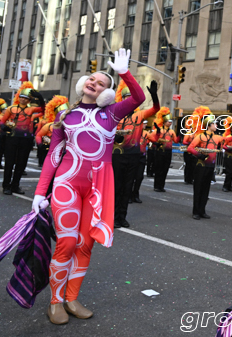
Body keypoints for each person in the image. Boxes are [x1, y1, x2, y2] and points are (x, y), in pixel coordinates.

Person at [31, 49, 145, 324]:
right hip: (67, 184)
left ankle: (71, 298)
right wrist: (39, 192)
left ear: (107, 94)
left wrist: (123, 73)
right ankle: (55, 302)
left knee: (85, 245)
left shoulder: (112, 113)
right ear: (83, 83)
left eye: (102, 83)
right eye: (92, 79)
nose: (95, 83)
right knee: (67, 243)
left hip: (97, 189)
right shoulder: (64, 115)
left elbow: (139, 98)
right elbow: (53, 155)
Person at [111, 79, 159, 228]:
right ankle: (113, 217)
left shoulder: (139, 115)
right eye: (127, 98)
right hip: (117, 156)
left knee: (127, 188)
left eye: (132, 98)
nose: (129, 100)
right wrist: (115, 137)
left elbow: (155, 109)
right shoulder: (115, 115)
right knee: (117, 187)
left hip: (134, 156)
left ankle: (122, 217)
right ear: (122, 99)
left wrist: (154, 96)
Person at [188, 113, 232, 219]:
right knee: (198, 189)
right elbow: (190, 148)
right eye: (214, 123)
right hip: (201, 166)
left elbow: (228, 140)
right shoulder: (200, 136)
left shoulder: (217, 137)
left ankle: (202, 211)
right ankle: (196, 212)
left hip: (210, 166)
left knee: (206, 189)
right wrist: (199, 155)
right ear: (209, 125)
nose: (216, 125)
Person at [0, 82, 45, 195]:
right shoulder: (11, 109)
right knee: (9, 163)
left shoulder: (30, 110)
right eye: (21, 97)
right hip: (12, 139)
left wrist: (39, 97)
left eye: (25, 98)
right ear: (18, 97)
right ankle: (6, 186)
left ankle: (15, 186)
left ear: (29, 100)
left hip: (25, 140)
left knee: (21, 163)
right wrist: (6, 128)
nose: (23, 99)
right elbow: (2, 122)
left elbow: (43, 109)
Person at [35, 96, 69, 170]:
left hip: (64, 153)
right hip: (50, 151)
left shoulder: (72, 126)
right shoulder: (48, 125)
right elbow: (38, 135)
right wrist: (40, 144)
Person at [150, 108, 179, 192]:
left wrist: (179, 135)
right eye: (169, 121)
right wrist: (156, 143)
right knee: (158, 169)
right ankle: (156, 186)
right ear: (164, 122)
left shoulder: (172, 131)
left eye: (171, 122)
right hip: (159, 151)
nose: (170, 123)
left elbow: (176, 141)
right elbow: (151, 138)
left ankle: (161, 186)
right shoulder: (158, 130)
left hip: (168, 152)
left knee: (165, 169)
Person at [130, 120, 151, 204]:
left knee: (139, 177)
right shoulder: (132, 132)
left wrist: (157, 132)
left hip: (142, 156)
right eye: (144, 123)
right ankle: (128, 195)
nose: (145, 124)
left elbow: (154, 139)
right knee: (131, 176)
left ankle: (135, 194)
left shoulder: (146, 133)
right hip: (133, 156)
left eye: (145, 123)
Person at [0, 98, 8, 169]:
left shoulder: (7, 117)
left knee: (1, 151)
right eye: (5, 109)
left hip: (4, 135)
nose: (6, 111)